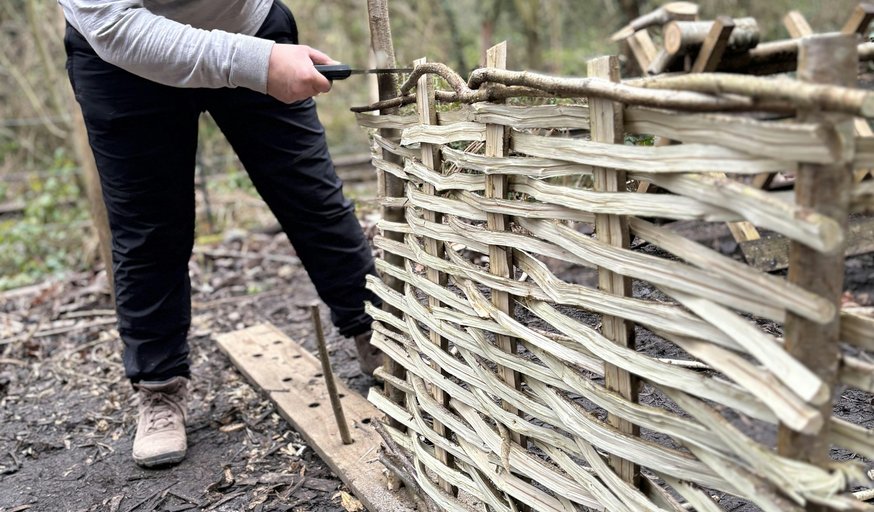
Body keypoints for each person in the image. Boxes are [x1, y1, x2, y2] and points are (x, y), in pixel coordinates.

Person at [58, 0, 383, 468]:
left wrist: (264, 51)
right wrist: (258, 62)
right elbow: (113, 22)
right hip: (121, 60)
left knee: (312, 198)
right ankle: (159, 386)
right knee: (149, 229)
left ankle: (373, 331)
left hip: (249, 25)